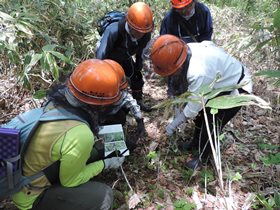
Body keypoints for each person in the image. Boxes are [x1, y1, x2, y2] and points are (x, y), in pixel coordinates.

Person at [11, 59, 126, 210]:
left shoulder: (54, 106)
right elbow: (70, 181)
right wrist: (105, 164)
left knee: (95, 150)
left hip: (22, 180)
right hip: (31, 198)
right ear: (102, 104)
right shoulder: (81, 133)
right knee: (103, 196)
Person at [149, 35, 253, 169]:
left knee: (212, 122)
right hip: (218, 82)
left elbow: (193, 106)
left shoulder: (198, 72)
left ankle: (203, 158)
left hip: (238, 86)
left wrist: (173, 125)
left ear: (178, 66)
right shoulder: (183, 50)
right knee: (200, 116)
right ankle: (195, 142)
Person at [96, 2, 154, 112]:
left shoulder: (145, 32)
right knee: (112, 81)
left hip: (125, 56)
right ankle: (108, 105)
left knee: (136, 76)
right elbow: (101, 55)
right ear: (130, 25)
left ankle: (138, 101)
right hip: (109, 57)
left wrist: (138, 66)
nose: (140, 35)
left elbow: (141, 51)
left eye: (142, 32)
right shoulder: (113, 31)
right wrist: (101, 73)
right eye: (137, 31)